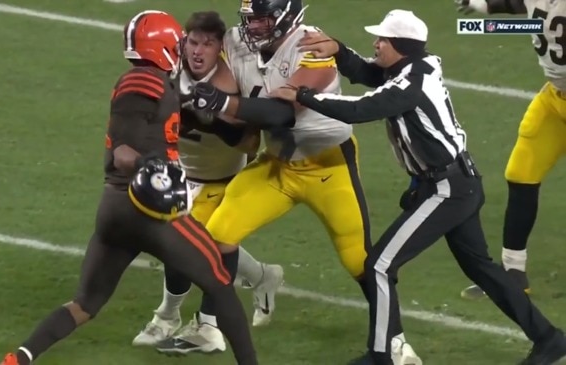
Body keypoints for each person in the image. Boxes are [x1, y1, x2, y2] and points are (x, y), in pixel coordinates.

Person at [272, 8, 566, 365]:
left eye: (382, 39)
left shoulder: (411, 82)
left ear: (400, 46)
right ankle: (549, 339)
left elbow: (363, 108)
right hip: (453, 182)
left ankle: (381, 355)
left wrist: (304, 96)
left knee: (379, 264)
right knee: (482, 269)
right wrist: (338, 49)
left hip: (447, 187)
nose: (376, 43)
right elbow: (369, 73)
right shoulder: (411, 69)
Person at [0, 10, 257, 365]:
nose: (183, 47)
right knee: (219, 284)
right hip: (147, 208)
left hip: (114, 211)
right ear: (163, 44)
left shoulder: (157, 82)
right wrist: (145, 163)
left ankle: (20, 358)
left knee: (85, 304)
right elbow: (122, 150)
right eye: (178, 41)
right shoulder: (143, 82)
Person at [180, 1, 422, 364]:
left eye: (261, 18)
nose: (252, 26)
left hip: (328, 167)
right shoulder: (236, 42)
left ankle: (397, 341)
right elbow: (225, 101)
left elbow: (280, 112)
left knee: (361, 261)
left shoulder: (312, 46)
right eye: (249, 18)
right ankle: (209, 326)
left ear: (285, 17)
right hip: (276, 165)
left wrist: (222, 104)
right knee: (218, 235)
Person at [132, 11, 285, 352]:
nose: (199, 51)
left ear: (220, 48)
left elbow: (248, 143)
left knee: (181, 246)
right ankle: (261, 276)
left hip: (222, 179)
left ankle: (170, 318)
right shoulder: (170, 70)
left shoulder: (229, 84)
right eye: (194, 42)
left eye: (209, 43)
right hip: (184, 173)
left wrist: (210, 119)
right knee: (202, 244)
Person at [456, 0, 565, 300]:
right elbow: (522, 6)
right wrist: (480, 6)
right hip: (555, 101)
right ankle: (513, 272)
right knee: (521, 174)